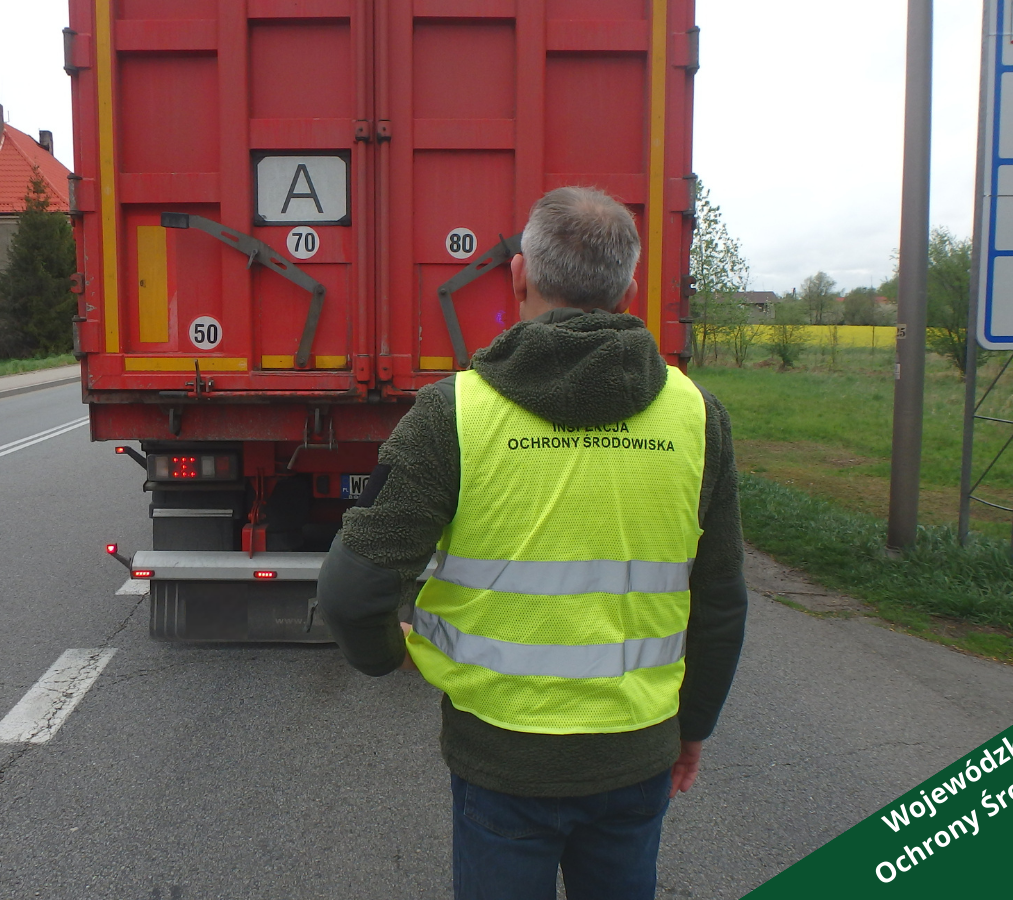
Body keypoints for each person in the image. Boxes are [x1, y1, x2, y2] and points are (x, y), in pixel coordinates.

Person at [315, 186, 747, 900]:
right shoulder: (698, 417)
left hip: (501, 764)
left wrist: (393, 655)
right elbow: (722, 601)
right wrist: (692, 726)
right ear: (628, 290)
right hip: (637, 756)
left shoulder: (453, 414)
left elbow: (351, 591)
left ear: (518, 276)